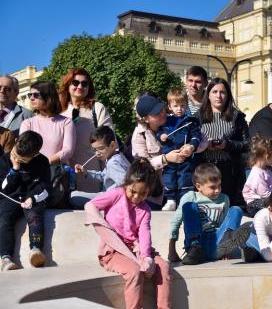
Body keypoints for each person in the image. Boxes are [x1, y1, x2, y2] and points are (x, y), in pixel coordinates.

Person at [84, 158, 171, 309]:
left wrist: (146, 258)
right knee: (134, 271)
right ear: (126, 185)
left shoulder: (145, 210)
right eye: (133, 191)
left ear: (148, 191)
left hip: (136, 249)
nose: (137, 197)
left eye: (143, 193)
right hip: (113, 251)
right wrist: (100, 222)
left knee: (163, 266)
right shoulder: (117, 194)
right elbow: (91, 205)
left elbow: (145, 235)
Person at [168, 163, 251, 265]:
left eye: (219, 185)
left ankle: (227, 243)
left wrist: (226, 249)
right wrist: (171, 249)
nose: (217, 190)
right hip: (198, 245)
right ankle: (195, 247)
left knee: (236, 209)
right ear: (198, 186)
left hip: (216, 243)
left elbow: (223, 224)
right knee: (189, 206)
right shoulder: (191, 196)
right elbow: (175, 222)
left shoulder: (224, 199)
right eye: (212, 187)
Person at [0, 131, 51, 271]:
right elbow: (3, 188)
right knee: (4, 218)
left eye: (22, 160)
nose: (17, 159)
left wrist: (33, 198)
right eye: (16, 155)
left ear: (35, 155)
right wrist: (15, 169)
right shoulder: (5, 160)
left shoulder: (42, 162)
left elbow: (46, 188)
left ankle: (36, 249)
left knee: (34, 215)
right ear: (15, 142)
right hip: (11, 198)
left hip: (31, 197)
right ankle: (5, 258)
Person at [196, 78, 249, 205]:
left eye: (222, 92)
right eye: (214, 92)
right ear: (208, 94)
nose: (218, 96)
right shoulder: (198, 116)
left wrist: (227, 145)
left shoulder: (237, 117)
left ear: (228, 95)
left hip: (228, 170)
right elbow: (191, 141)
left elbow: (248, 144)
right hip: (204, 168)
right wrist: (204, 145)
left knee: (226, 206)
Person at [59, 68, 113, 192]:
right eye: (75, 83)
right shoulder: (58, 111)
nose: (80, 86)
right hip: (63, 175)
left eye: (84, 83)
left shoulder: (97, 108)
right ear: (68, 85)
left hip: (91, 174)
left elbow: (109, 142)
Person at [131, 93, 191, 207]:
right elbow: (143, 165)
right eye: (156, 113)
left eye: (162, 109)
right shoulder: (138, 136)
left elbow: (201, 138)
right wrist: (166, 158)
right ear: (146, 119)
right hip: (155, 195)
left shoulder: (176, 119)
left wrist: (192, 147)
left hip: (182, 187)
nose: (162, 114)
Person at [156, 88, 202, 211]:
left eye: (182, 105)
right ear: (169, 106)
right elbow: (158, 133)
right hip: (170, 155)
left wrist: (192, 146)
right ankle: (171, 200)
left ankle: (184, 200)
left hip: (185, 157)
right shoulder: (166, 120)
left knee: (185, 177)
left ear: (187, 105)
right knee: (169, 177)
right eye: (175, 106)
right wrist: (161, 137)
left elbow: (197, 136)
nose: (179, 109)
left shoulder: (191, 121)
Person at [70, 126, 131, 208]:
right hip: (111, 197)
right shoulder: (117, 156)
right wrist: (86, 172)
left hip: (111, 199)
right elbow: (104, 175)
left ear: (112, 145)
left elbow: (125, 183)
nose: (97, 153)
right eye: (94, 150)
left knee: (74, 196)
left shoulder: (113, 163)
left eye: (100, 149)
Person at [20, 81, 76, 165]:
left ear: (48, 96)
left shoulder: (66, 122)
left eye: (36, 95)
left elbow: (68, 150)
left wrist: (46, 163)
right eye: (29, 95)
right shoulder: (27, 123)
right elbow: (23, 149)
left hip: (57, 174)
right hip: (33, 173)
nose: (31, 98)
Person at [242, 135, 272, 217]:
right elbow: (264, 193)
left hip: (264, 200)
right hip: (254, 204)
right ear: (267, 156)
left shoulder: (265, 170)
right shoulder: (257, 173)